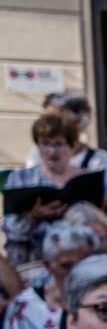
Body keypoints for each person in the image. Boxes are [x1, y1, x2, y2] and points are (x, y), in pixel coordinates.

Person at [0, 222, 95, 329]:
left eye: (84, 264)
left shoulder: (105, 307)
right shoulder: (25, 306)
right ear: (48, 265)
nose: (76, 272)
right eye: (67, 265)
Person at [5, 111, 100, 274]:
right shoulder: (21, 178)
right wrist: (34, 216)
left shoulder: (86, 179)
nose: (51, 150)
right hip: (30, 263)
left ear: (71, 145)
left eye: (58, 144)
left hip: (76, 264)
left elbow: (99, 224)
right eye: (45, 144)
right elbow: (10, 228)